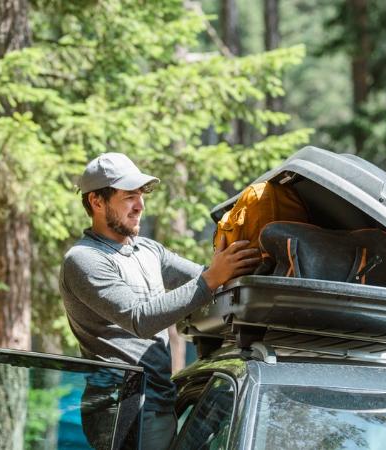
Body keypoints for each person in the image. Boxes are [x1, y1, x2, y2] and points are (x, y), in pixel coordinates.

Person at [62, 152, 260, 449]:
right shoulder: (84, 259)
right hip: (122, 409)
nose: (140, 205)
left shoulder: (148, 250)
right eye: (129, 196)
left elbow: (209, 279)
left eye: (141, 195)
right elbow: (140, 319)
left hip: (159, 398)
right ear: (97, 202)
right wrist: (211, 279)